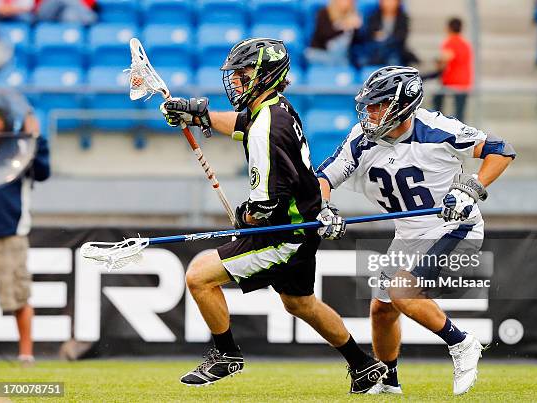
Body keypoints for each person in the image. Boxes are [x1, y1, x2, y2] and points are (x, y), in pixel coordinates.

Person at [159, 38, 387, 394]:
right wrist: (199, 114)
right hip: (300, 226)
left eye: (244, 72)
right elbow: (241, 123)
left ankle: (226, 355)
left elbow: (266, 204)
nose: (235, 80)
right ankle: (363, 365)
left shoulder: (269, 124)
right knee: (301, 303)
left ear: (266, 73)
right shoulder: (275, 108)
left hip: (285, 234)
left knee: (198, 276)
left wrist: (246, 217)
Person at [316, 66, 515, 395]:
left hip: (454, 227)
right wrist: (324, 208)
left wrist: (471, 188)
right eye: (368, 105)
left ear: (401, 105)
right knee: (382, 309)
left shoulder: (437, 129)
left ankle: (463, 343)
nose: (370, 112)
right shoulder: (361, 138)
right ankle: (389, 380)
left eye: (378, 105)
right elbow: (324, 177)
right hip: (409, 235)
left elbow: (501, 150)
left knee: (401, 290)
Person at [0, 89, 50, 366]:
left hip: (10, 233)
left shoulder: (19, 148)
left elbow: (43, 172)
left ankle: (25, 354)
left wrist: (36, 138)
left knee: (18, 295)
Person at [433, 17, 474, 121]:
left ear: (448, 28)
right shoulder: (465, 44)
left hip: (452, 81)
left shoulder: (450, 42)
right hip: (464, 82)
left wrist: (437, 62)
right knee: (460, 112)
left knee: (437, 99)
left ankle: (438, 122)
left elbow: (445, 58)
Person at [355, 0, 418, 67]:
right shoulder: (374, 16)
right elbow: (369, 34)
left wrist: (386, 37)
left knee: (393, 61)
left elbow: (401, 37)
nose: (389, 4)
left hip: (393, 50)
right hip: (375, 50)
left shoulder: (403, 18)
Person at [306, 0, 362, 66]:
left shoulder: (354, 16)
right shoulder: (323, 13)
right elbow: (323, 35)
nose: (347, 2)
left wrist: (356, 28)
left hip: (340, 55)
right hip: (319, 52)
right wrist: (345, 26)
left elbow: (357, 42)